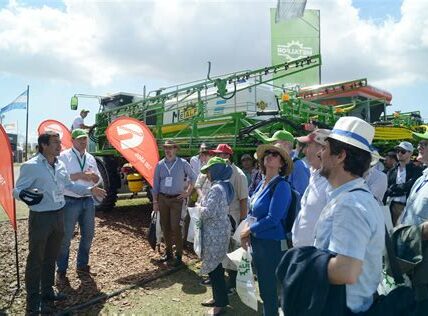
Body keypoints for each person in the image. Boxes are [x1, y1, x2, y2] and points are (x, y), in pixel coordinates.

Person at [13, 131, 106, 315]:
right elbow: (17, 190)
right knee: (36, 258)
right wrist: (23, 195)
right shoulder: (30, 166)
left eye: (59, 142)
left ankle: (47, 293)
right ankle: (33, 300)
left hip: (59, 215)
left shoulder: (60, 165)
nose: (59, 145)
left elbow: (69, 186)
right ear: (44, 145)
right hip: (41, 217)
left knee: (50, 257)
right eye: (55, 142)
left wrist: (90, 190)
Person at [313, 117, 384, 314]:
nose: (319, 153)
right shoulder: (352, 198)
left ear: (340, 156)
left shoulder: (350, 204)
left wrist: (299, 264)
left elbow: (346, 271)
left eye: (325, 148)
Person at [240, 143, 293, 316]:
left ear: (282, 164)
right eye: (268, 153)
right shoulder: (262, 183)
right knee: (265, 290)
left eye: (275, 155)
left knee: (270, 292)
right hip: (259, 242)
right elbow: (253, 211)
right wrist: (249, 229)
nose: (269, 156)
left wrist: (249, 231)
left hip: (272, 245)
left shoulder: (282, 186)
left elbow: (273, 219)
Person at [56, 129, 101, 284]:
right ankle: (61, 270)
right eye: (80, 139)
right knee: (66, 237)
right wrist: (82, 175)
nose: (83, 142)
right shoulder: (63, 156)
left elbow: (97, 178)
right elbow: (61, 179)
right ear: (73, 140)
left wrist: (94, 178)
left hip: (88, 200)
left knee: (88, 235)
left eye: (85, 139)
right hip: (70, 201)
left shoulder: (90, 158)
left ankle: (82, 266)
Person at [198, 157, 234, 316]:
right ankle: (217, 298)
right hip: (220, 231)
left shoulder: (216, 188)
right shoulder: (226, 185)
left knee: (215, 269)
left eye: (209, 171)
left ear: (216, 170)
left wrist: (198, 208)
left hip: (215, 233)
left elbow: (208, 212)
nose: (207, 174)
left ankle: (219, 304)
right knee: (216, 266)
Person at [210, 143, 248, 294]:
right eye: (217, 155)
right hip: (223, 217)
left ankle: (232, 284)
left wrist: (242, 223)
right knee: (224, 251)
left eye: (222, 155)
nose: (219, 157)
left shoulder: (238, 174)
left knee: (234, 252)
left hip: (234, 216)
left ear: (228, 156)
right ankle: (228, 281)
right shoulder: (220, 171)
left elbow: (243, 199)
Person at [152, 140, 197, 267]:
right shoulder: (160, 165)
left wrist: (188, 192)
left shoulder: (182, 163)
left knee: (176, 227)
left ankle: (178, 255)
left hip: (177, 199)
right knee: (165, 226)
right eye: (166, 148)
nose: (168, 150)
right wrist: (155, 201)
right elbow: (155, 184)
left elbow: (194, 177)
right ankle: (168, 253)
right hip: (163, 199)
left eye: (171, 148)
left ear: (175, 149)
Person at [399, 137, 428, 315]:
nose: (420, 146)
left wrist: (410, 234)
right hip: (411, 255)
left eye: (425, 144)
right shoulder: (422, 178)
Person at [292, 129, 331, 247]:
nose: (304, 150)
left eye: (308, 145)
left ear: (322, 149)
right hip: (305, 252)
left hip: (316, 253)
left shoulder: (330, 182)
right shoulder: (313, 174)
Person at [384, 141, 422, 225]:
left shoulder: (416, 170)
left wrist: (394, 188)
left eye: (403, 151)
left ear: (410, 153)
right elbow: (386, 189)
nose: (399, 153)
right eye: (397, 151)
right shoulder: (391, 171)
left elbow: (410, 186)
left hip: (407, 208)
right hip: (390, 205)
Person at [266, 130, 309, 196]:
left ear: (286, 144)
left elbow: (302, 195)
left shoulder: (297, 165)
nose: (271, 146)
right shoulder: (285, 163)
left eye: (274, 142)